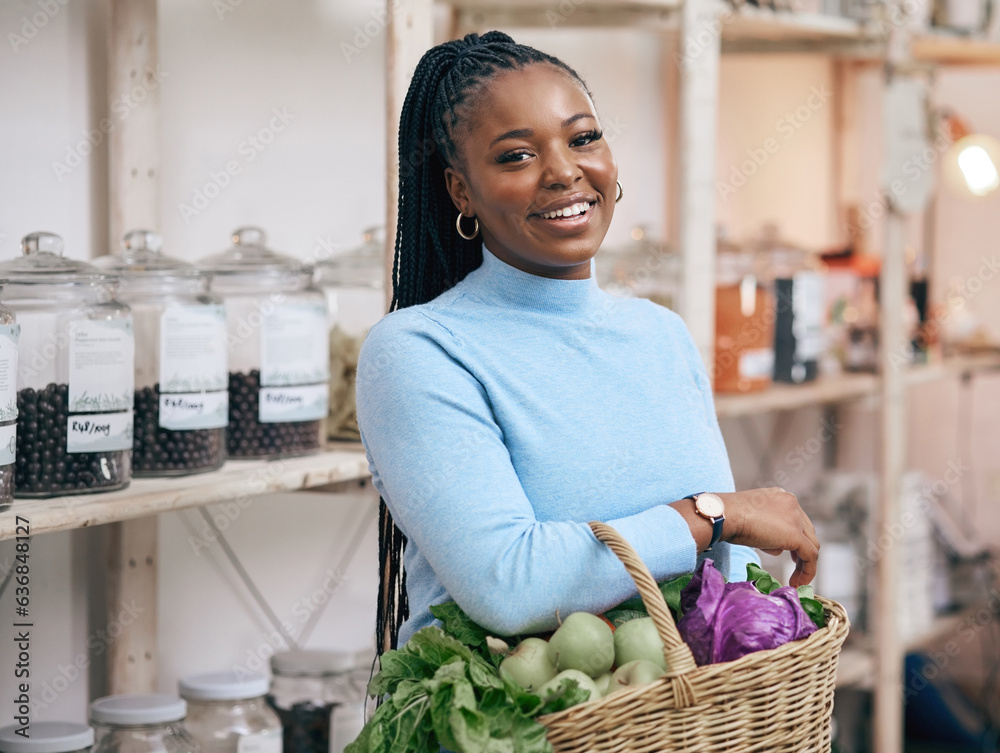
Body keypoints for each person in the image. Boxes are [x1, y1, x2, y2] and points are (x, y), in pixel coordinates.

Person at [356, 31, 819, 654]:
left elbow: (719, 585)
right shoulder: (418, 352)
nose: (565, 172)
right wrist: (714, 513)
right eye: (516, 155)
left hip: (674, 725)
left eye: (582, 138)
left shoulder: (660, 333)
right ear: (461, 191)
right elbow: (511, 586)